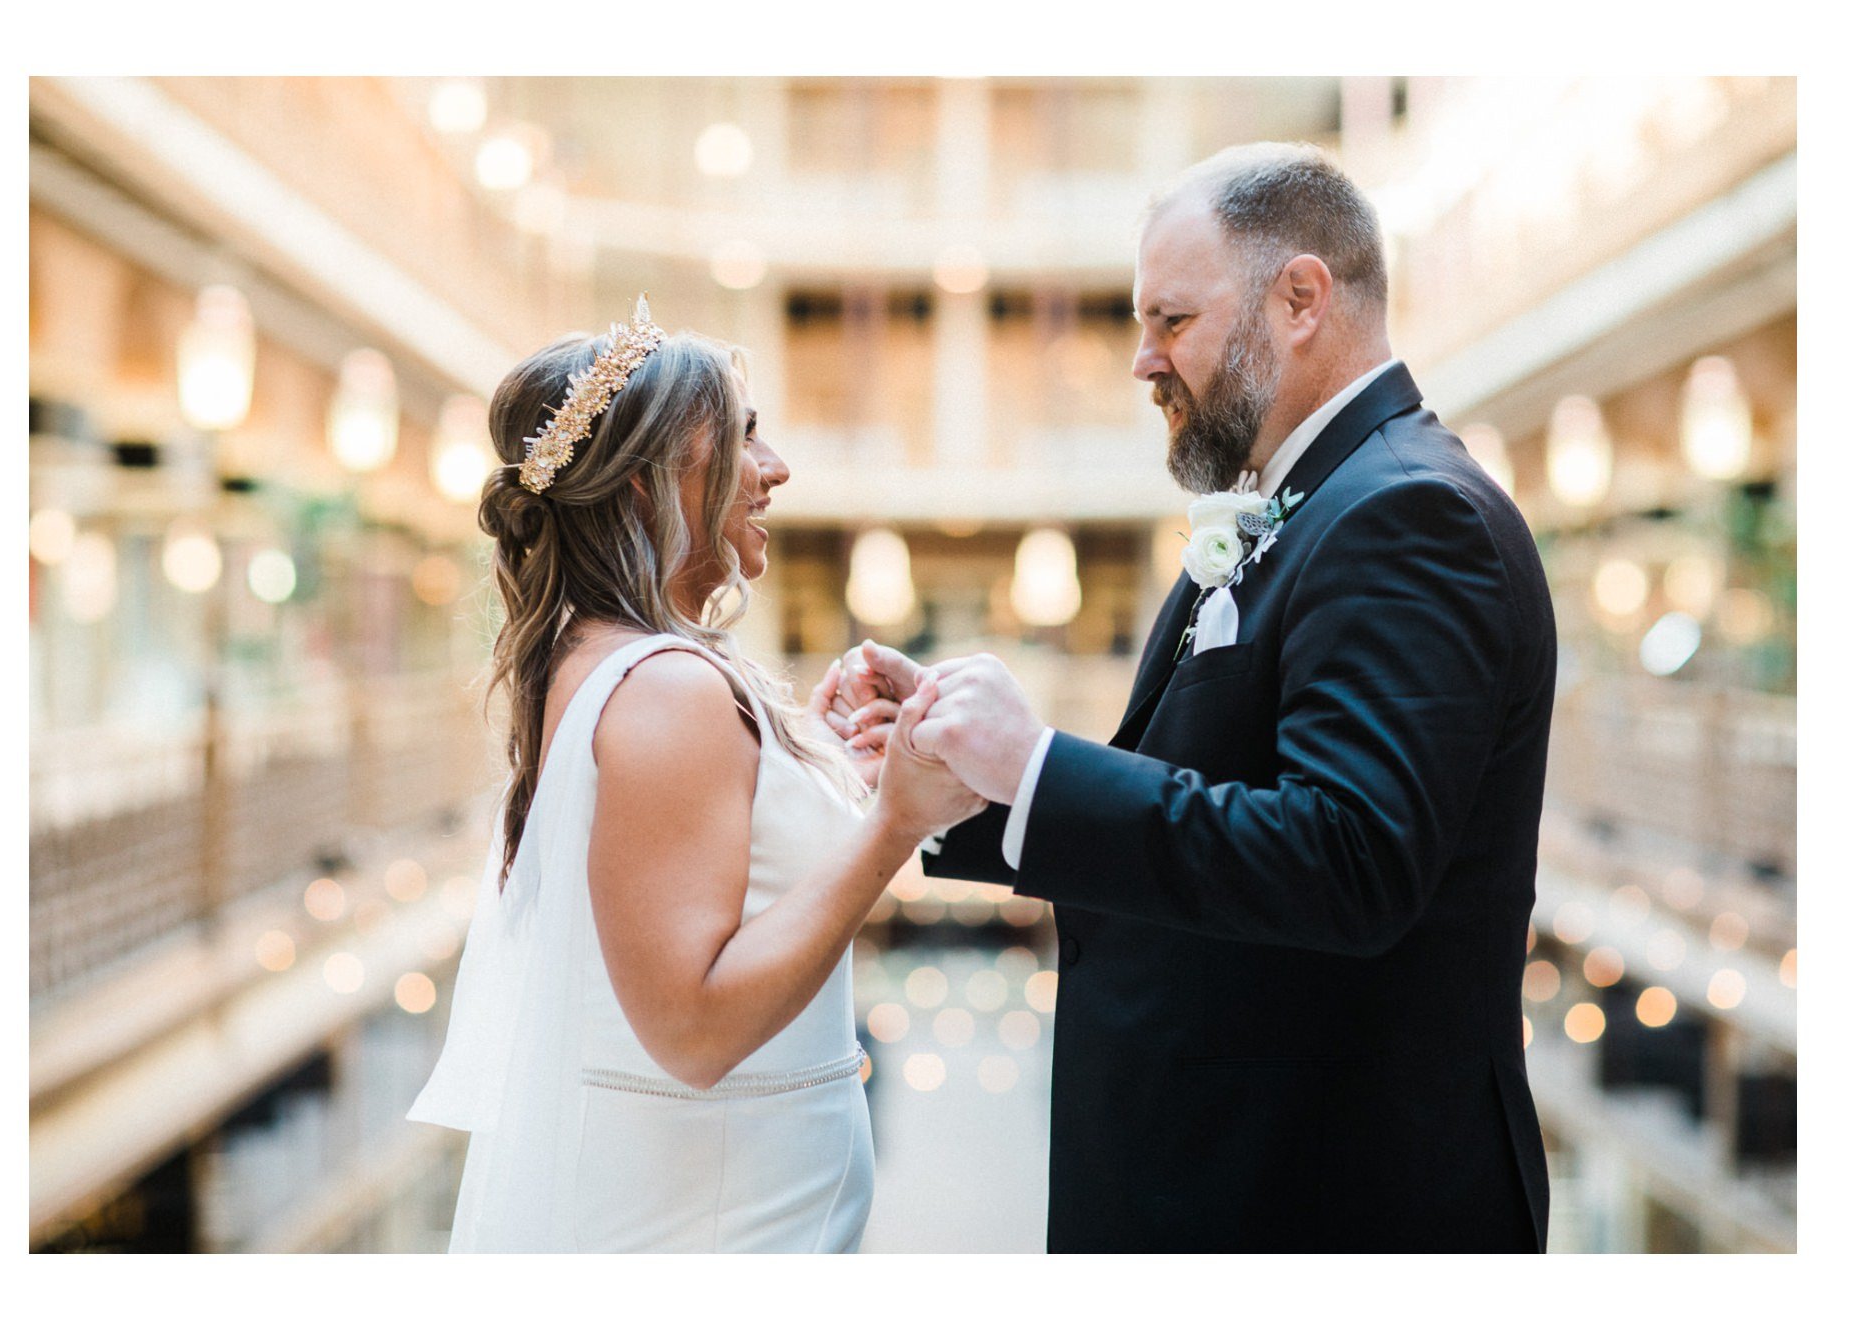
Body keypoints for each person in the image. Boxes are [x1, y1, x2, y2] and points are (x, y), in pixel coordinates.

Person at [828, 143, 1557, 1253]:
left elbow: (1349, 856)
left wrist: (1035, 766)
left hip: (1319, 1202)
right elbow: (1212, 786)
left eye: (1170, 321)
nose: (1141, 362)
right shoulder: (1305, 498)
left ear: (1301, 298)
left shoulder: (1408, 514)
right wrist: (965, 772)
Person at [408, 299, 983, 1252]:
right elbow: (692, 1029)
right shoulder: (667, 690)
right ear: (648, 484)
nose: (776, 470)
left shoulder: (611, 659)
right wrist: (891, 826)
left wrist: (822, 759)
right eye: (747, 437)